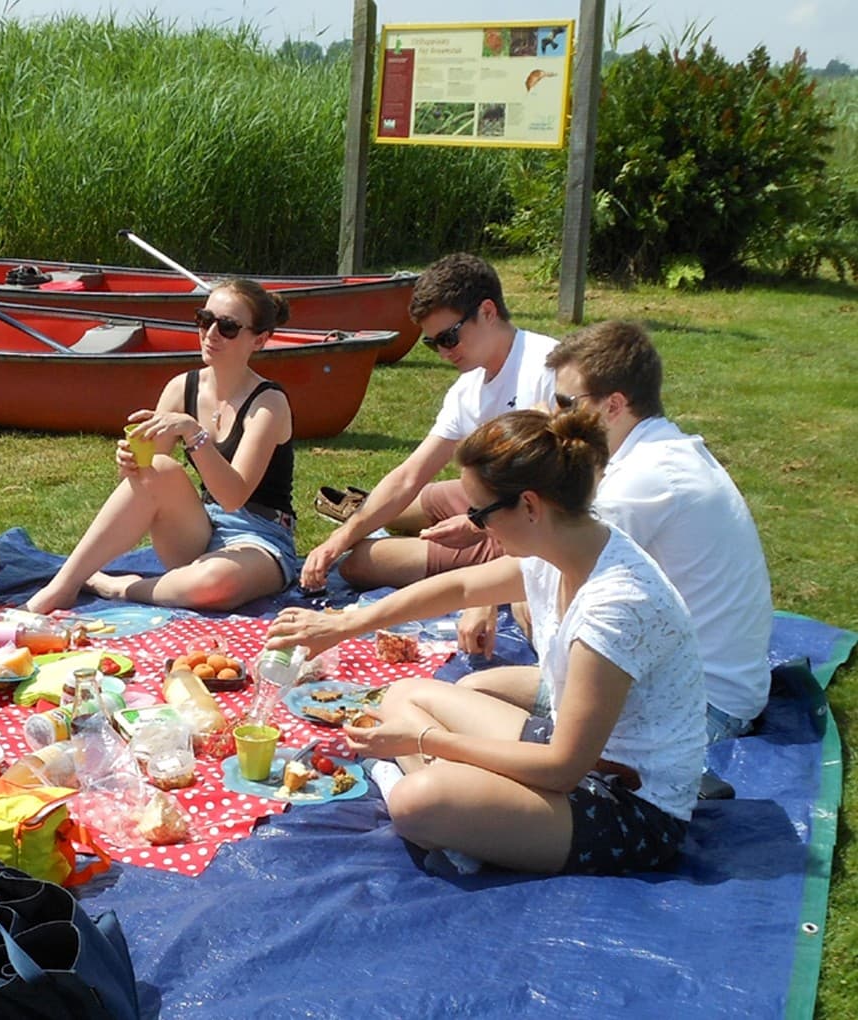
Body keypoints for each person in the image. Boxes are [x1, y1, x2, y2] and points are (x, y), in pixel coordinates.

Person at [266, 409, 705, 875]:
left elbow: (562, 768)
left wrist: (423, 739)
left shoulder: (615, 605)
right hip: (581, 757)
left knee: (419, 802)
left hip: (630, 804)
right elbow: (463, 588)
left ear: (531, 506)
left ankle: (452, 808)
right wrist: (343, 626)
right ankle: (472, 809)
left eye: (479, 513)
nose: (474, 525)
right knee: (401, 693)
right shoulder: (563, 547)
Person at [458, 322, 772, 744]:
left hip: (702, 705)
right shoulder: (656, 452)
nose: (554, 417)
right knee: (471, 694)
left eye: (566, 402)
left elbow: (541, 572)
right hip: (694, 680)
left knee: (470, 726)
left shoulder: (644, 480)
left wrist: (488, 600)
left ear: (613, 406)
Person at [26, 280, 300, 613]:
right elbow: (145, 485)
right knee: (157, 469)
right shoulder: (181, 388)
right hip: (199, 526)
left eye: (227, 327)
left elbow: (234, 496)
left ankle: (116, 586)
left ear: (259, 340)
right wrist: (129, 462)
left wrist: (192, 432)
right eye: (204, 319)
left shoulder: (268, 404)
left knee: (215, 584)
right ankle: (63, 585)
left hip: (260, 536)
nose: (210, 333)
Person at [299, 253, 557, 592]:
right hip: (490, 498)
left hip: (531, 523)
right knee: (406, 504)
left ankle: (395, 530)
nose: (444, 353)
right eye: (432, 344)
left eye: (448, 338)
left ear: (488, 312)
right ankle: (370, 517)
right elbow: (410, 474)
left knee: (359, 565)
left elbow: (560, 493)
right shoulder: (469, 386)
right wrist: (339, 537)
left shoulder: (550, 370)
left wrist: (477, 523)